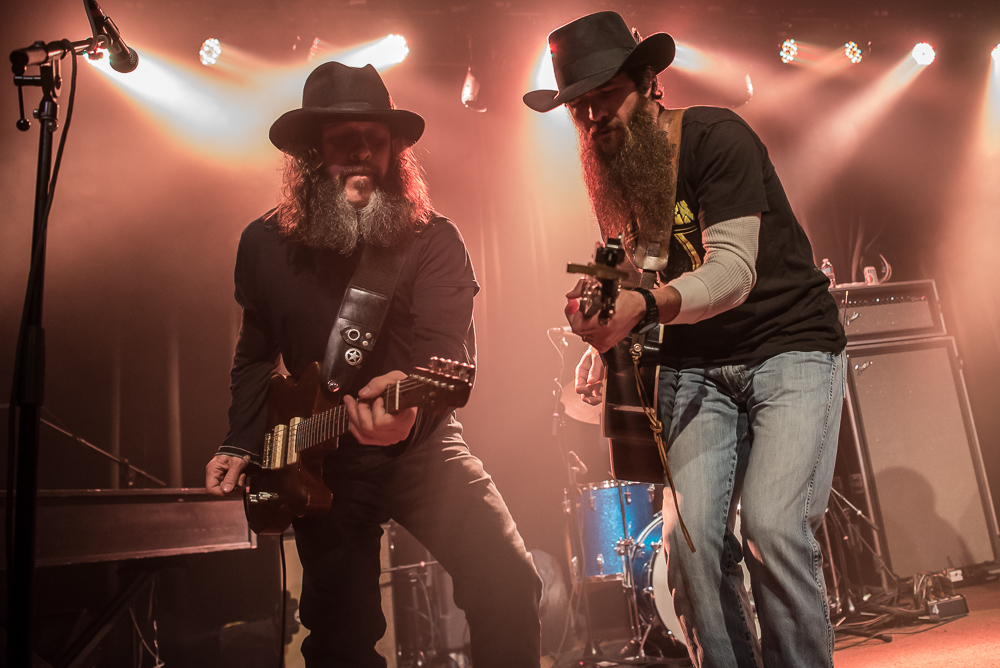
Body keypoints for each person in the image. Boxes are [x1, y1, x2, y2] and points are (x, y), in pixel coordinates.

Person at [525, 12, 847, 668]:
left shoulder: (715, 137)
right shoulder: (615, 170)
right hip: (696, 361)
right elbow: (629, 260)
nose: (593, 116)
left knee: (772, 527)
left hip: (788, 345)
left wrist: (643, 307)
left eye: (606, 95)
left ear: (649, 82)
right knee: (690, 548)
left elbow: (731, 272)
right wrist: (599, 337)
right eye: (580, 107)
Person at [205, 61, 542, 667]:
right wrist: (240, 439)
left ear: (394, 151)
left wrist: (410, 407)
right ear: (311, 155)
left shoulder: (432, 239)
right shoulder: (263, 245)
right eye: (344, 142)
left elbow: (447, 357)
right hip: (320, 462)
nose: (363, 153)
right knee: (340, 637)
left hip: (422, 449)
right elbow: (254, 357)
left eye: (376, 140)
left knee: (508, 582)